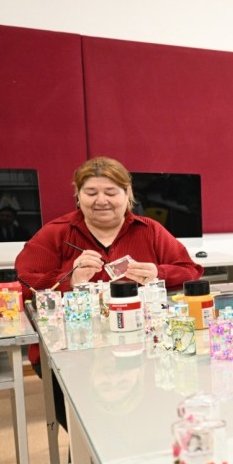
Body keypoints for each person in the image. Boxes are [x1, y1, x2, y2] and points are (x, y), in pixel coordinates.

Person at [17, 157, 204, 436]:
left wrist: (158, 272)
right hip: (70, 353)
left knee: (148, 418)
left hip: (143, 349)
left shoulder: (150, 230)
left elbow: (191, 270)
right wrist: (70, 279)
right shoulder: (56, 233)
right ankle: (85, 452)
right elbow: (23, 286)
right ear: (78, 196)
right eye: (91, 192)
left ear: (127, 194)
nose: (101, 200)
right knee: (87, 426)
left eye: (111, 192)